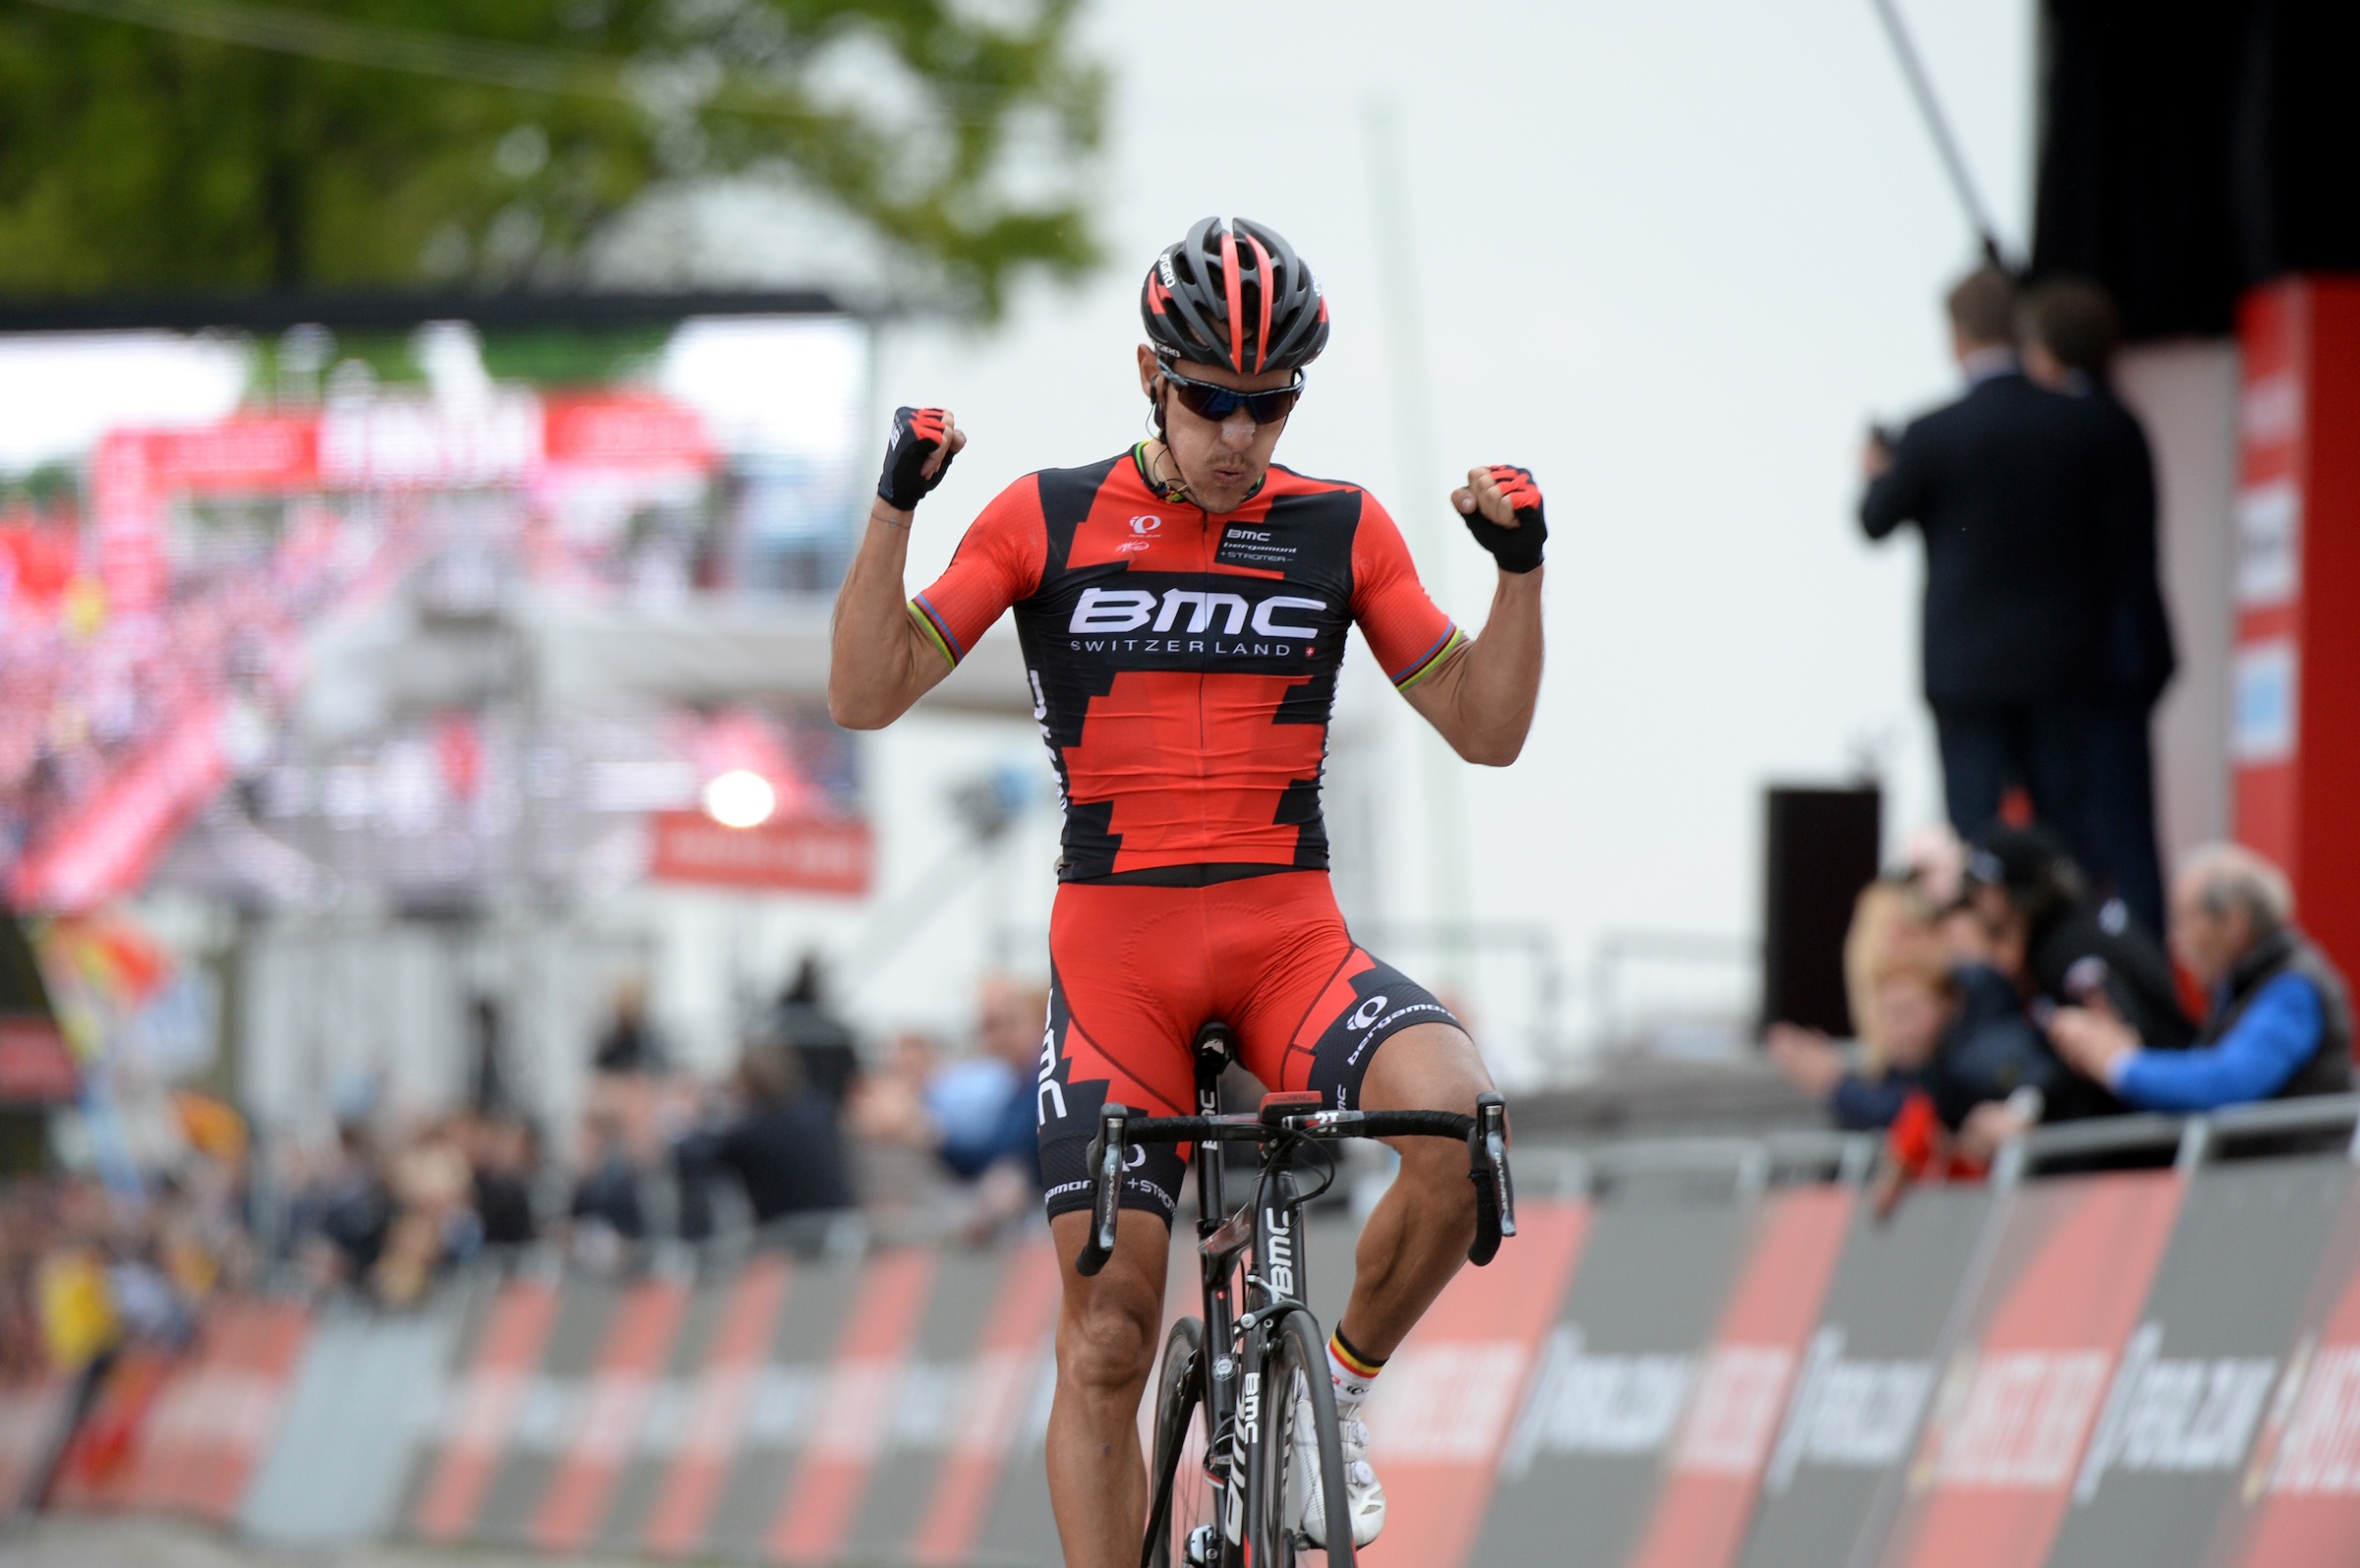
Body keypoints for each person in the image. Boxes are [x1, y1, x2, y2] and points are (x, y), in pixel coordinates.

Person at [827, 215, 1547, 1562]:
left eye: (1271, 403)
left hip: (1291, 943)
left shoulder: (1339, 526)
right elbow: (865, 692)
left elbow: (1486, 728)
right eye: (1211, 398)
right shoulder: (1045, 515)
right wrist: (894, 506)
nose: (1239, 433)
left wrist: (1520, 572)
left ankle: (1332, 1394)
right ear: (1150, 375)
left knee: (1464, 1127)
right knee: (1109, 1332)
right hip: (1122, 963)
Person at [1860, 267, 2115, 866]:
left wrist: (1875, 472)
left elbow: (1875, 521)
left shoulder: (1932, 433)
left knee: (1973, 827)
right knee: (2063, 828)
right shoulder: (2074, 425)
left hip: (1965, 668)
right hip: (2059, 659)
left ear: (1956, 336)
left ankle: (1981, 925)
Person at [2019, 278, 2174, 937]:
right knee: (2120, 823)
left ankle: (2125, 964)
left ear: (2047, 349)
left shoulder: (2080, 427)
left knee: (2110, 827)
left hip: (2100, 660)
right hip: (2123, 654)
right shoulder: (2117, 421)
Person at [2050, 843, 2353, 1111]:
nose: (2175, 941)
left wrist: (2119, 1064)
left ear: (2233, 923)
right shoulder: (2241, 988)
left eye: (2184, 921)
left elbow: (2229, 1083)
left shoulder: (2293, 988)